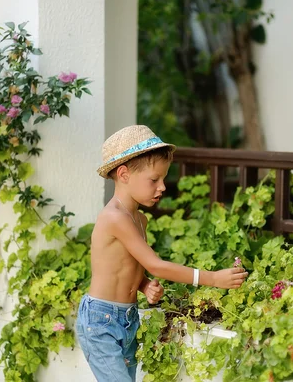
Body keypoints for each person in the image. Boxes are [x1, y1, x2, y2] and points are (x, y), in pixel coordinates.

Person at [75, 125, 248, 381]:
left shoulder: (139, 220)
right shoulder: (114, 217)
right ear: (123, 174)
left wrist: (143, 285)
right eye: (154, 180)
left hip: (127, 318)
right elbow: (156, 265)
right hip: (101, 321)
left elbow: (123, 266)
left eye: (163, 179)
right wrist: (213, 278)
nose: (163, 187)